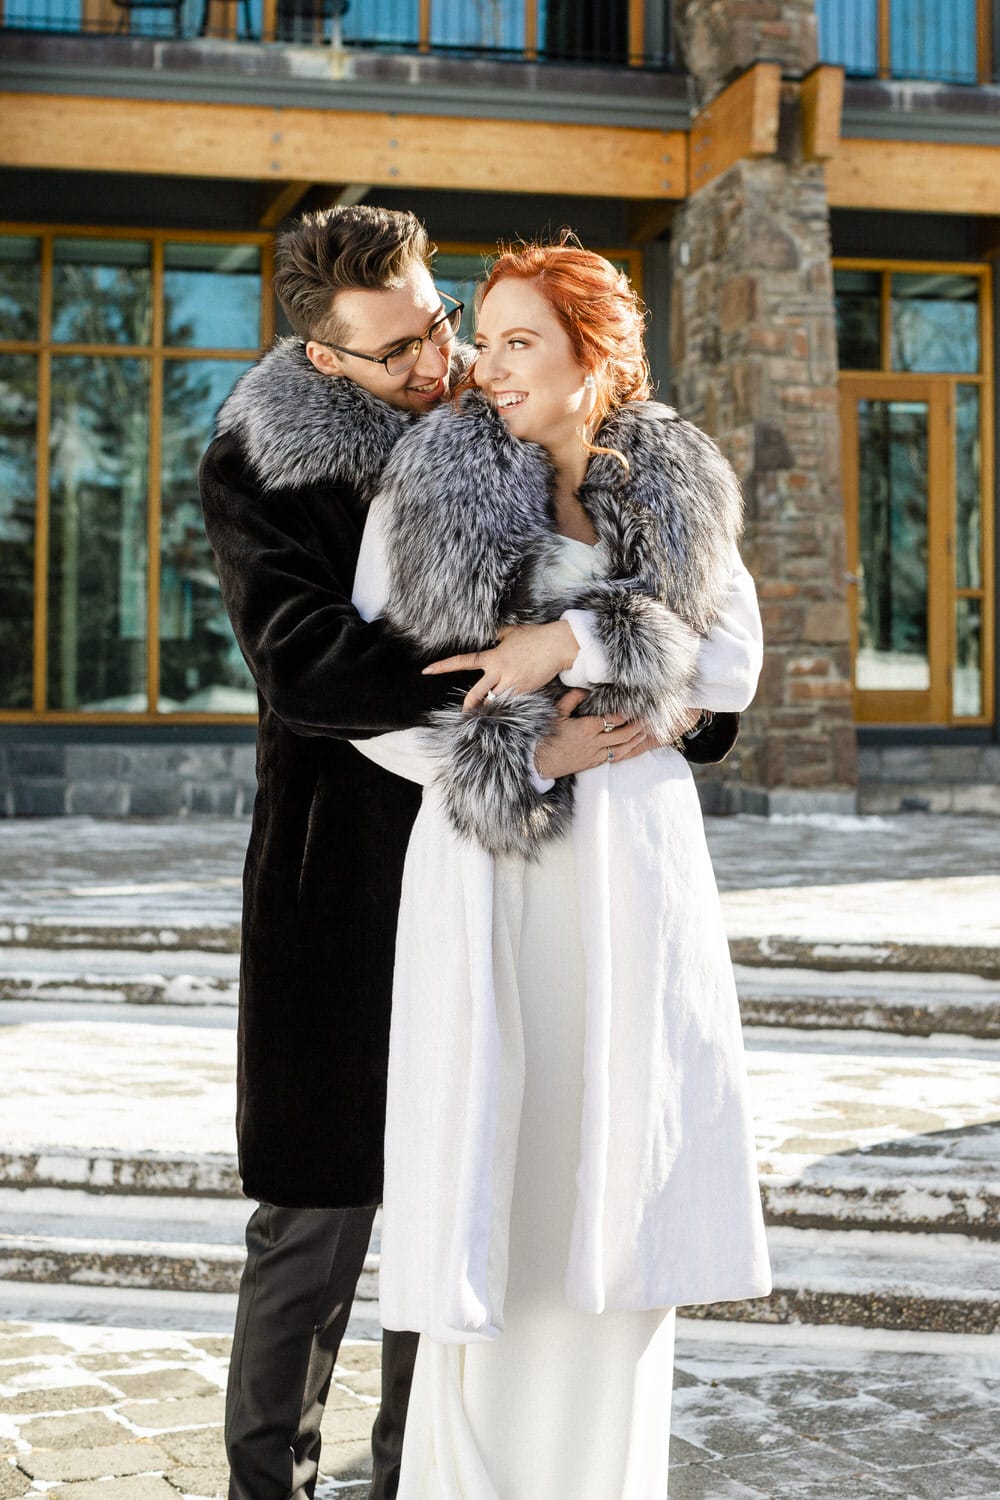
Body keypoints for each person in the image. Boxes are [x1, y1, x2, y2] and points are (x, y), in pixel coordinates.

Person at [199, 207, 721, 1500]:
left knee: (463, 1203)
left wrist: (641, 689)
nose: (436, 362)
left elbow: (662, 598)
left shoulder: (500, 414)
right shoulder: (264, 467)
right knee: (315, 1227)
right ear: (326, 362)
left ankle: (412, 1479)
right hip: (341, 890)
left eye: (438, 325)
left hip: (506, 883)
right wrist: (524, 720)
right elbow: (307, 667)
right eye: (396, 353)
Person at [348, 240, 772, 1496]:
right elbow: (369, 704)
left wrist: (570, 637)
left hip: (632, 881)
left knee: (615, 1158)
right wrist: (531, 750)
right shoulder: (425, 490)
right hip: (494, 866)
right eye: (485, 337)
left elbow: (732, 660)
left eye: (520, 339)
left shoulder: (679, 482)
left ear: (597, 359)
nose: (486, 364)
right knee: (501, 1158)